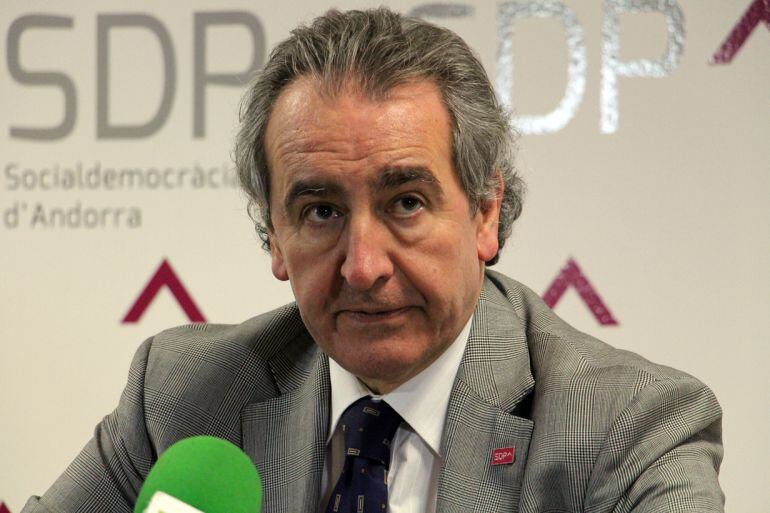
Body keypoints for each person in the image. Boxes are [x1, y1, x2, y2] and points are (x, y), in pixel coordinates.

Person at [23, 7, 724, 513]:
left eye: (406, 203)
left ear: (484, 212)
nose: (362, 266)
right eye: (321, 212)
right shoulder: (183, 398)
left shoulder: (628, 426)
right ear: (274, 236)